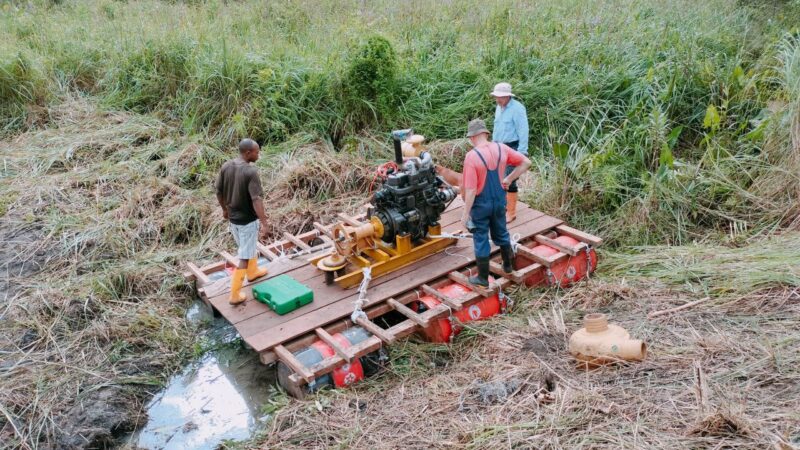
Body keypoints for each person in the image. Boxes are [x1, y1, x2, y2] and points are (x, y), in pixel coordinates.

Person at [461, 119, 531, 287]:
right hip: (500, 200)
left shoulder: (471, 157)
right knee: (501, 233)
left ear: (472, 137)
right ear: (486, 134)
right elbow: (526, 163)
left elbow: (470, 191)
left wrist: (464, 215)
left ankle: (483, 279)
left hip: (480, 205)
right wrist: (509, 178)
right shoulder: (501, 148)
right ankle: (507, 266)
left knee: (481, 239)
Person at [216, 138, 269, 305]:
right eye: (256, 152)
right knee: (244, 256)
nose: (258, 155)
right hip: (246, 221)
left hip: (234, 220)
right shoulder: (250, 172)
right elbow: (256, 199)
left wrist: (225, 209)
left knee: (247, 246)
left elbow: (218, 191)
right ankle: (234, 294)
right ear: (248, 153)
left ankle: (252, 272)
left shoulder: (226, 166)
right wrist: (265, 223)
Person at [491, 82, 529, 223]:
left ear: (508, 96)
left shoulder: (517, 109)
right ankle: (502, 207)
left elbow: (523, 130)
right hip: (499, 147)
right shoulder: (499, 107)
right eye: (496, 97)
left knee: (509, 179)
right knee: (498, 177)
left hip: (513, 147)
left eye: (500, 97)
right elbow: (497, 128)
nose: (498, 99)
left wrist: (522, 152)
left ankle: (511, 213)